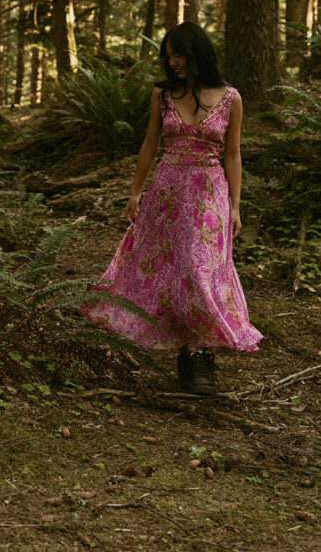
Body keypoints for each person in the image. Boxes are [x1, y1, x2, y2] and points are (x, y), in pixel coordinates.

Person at [82, 21, 262, 395]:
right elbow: (150, 144)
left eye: (178, 54)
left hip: (210, 196)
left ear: (196, 53)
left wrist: (236, 205)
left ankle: (204, 356)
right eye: (168, 56)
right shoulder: (162, 95)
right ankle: (186, 356)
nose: (172, 62)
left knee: (201, 272)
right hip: (167, 194)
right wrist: (135, 192)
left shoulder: (231, 98)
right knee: (176, 274)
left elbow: (233, 154)